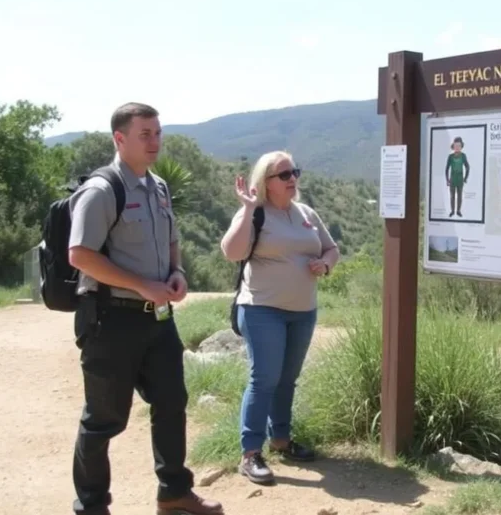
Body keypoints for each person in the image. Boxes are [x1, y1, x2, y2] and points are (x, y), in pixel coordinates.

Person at [67, 102, 223, 515]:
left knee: (172, 403)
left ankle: (173, 493)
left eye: (158, 132)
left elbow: (170, 239)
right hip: (110, 319)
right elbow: (80, 255)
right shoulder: (102, 190)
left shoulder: (158, 187)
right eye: (145, 134)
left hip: (157, 320)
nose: (155, 141)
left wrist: (177, 274)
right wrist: (144, 286)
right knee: (104, 420)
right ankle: (91, 506)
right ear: (120, 139)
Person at [219, 150, 340, 485]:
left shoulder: (306, 214)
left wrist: (325, 264)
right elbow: (231, 252)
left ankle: (282, 440)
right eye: (284, 175)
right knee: (265, 378)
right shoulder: (254, 214)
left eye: (294, 172)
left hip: (303, 311)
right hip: (261, 309)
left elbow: (332, 249)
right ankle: (250, 454)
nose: (292, 180)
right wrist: (246, 208)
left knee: (288, 378)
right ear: (266, 182)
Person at [444, 136, 469, 217]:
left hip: (460, 178)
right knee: (452, 196)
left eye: (459, 145)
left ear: (461, 146)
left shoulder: (463, 156)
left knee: (460, 195)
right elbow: (447, 168)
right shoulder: (450, 157)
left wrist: (465, 178)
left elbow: (467, 167)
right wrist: (447, 180)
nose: (457, 147)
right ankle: (452, 211)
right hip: (453, 178)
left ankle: (458, 211)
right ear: (453, 146)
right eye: (456, 145)